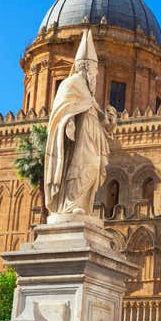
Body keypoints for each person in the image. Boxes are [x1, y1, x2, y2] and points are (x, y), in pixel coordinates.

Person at [43, 29, 117, 220]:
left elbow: (96, 117)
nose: (95, 74)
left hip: (92, 138)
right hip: (79, 140)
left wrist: (109, 124)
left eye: (96, 70)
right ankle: (71, 203)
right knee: (80, 168)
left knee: (91, 167)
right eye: (92, 69)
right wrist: (68, 122)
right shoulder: (72, 84)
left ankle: (82, 205)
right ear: (83, 66)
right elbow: (63, 110)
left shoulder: (89, 93)